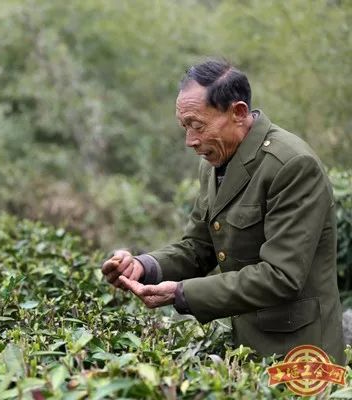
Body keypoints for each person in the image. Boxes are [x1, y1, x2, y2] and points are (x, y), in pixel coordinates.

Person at [102, 58, 345, 364]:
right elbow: (197, 247)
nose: (190, 140)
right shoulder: (214, 162)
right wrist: (144, 266)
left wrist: (181, 293)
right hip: (247, 350)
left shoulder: (291, 165)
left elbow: (281, 276)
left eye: (198, 125)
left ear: (238, 113)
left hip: (299, 353)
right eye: (185, 126)